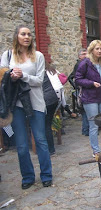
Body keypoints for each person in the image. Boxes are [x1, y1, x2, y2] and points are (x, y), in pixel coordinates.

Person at [0, 25, 52, 189]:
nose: (27, 37)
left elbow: (39, 80)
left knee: (41, 141)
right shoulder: (7, 55)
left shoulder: (38, 56)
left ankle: (46, 175)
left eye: (29, 34)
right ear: (17, 36)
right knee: (21, 145)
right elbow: (2, 78)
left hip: (35, 102)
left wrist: (23, 76)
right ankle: (28, 177)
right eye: (23, 34)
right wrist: (11, 77)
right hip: (16, 104)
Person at [75, 40, 101, 157]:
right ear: (91, 50)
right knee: (94, 124)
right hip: (90, 98)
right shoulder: (85, 63)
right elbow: (77, 79)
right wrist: (91, 83)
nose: (99, 51)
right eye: (97, 49)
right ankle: (96, 150)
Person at [68, 48, 89, 136]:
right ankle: (86, 130)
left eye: (86, 54)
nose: (85, 56)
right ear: (79, 56)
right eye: (83, 54)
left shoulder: (84, 63)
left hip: (84, 89)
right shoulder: (79, 64)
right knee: (85, 110)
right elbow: (69, 77)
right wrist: (76, 86)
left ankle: (85, 130)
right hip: (82, 90)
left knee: (85, 110)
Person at [43, 62, 59, 155]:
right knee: (47, 124)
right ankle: (51, 148)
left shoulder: (39, 72)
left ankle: (49, 149)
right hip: (53, 98)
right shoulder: (51, 70)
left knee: (45, 125)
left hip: (46, 100)